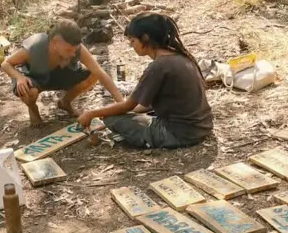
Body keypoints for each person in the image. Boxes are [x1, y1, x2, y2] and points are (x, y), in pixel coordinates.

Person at [76, 13, 213, 149]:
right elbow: (143, 105)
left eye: (133, 41)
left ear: (145, 38)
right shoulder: (181, 57)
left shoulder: (158, 66)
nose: (131, 45)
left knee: (111, 118)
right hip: (202, 126)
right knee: (116, 111)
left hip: (179, 134)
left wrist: (92, 113)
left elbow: (127, 106)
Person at [0, 20, 124, 127]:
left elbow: (100, 73)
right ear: (55, 42)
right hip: (35, 78)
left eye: (74, 50)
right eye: (68, 50)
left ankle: (65, 102)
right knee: (28, 92)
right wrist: (19, 77)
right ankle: (33, 109)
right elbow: (6, 64)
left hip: (60, 76)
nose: (72, 54)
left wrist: (121, 104)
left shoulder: (77, 49)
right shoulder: (35, 46)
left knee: (94, 75)